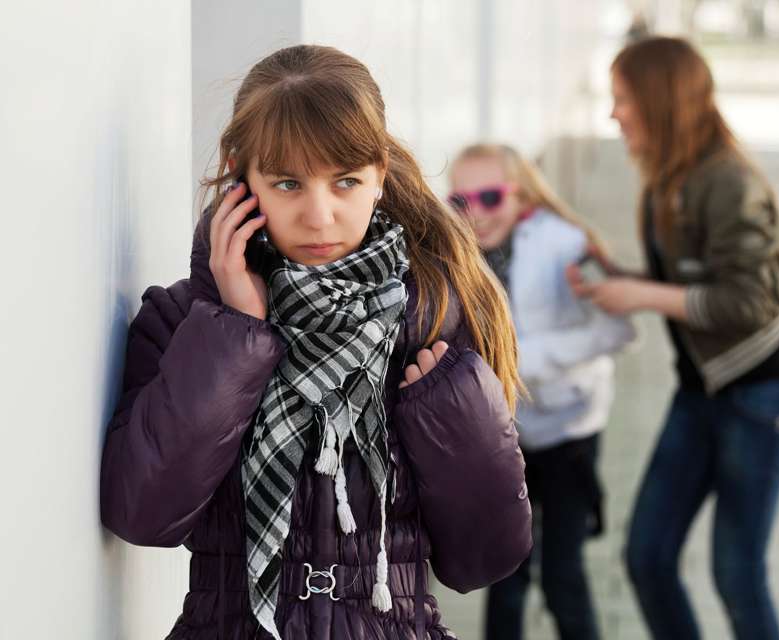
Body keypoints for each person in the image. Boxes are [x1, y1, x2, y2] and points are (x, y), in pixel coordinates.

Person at [99, 45, 532, 640]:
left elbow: (484, 559)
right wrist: (235, 333)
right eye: (287, 183)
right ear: (239, 173)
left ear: (380, 174)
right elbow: (142, 514)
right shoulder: (182, 322)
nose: (320, 216)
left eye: (346, 181)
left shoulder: (433, 319)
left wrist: (456, 413)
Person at [568, 37, 779, 640]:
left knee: (736, 574)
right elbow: (688, 282)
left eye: (623, 99)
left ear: (660, 101)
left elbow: (753, 303)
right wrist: (616, 274)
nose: (613, 114)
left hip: (759, 398)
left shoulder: (727, 180)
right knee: (647, 558)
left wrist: (642, 297)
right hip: (702, 392)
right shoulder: (669, 177)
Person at [449, 143, 635, 640]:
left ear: (522, 196)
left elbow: (618, 329)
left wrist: (523, 359)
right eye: (460, 201)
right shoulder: (456, 256)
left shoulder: (566, 243)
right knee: (505, 575)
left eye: (490, 196)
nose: (477, 214)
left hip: (569, 431)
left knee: (562, 577)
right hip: (503, 437)